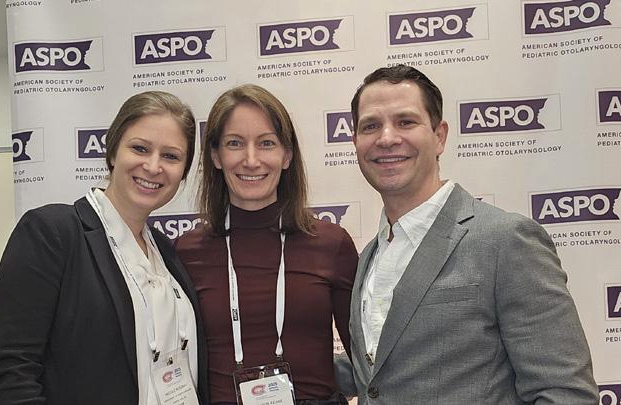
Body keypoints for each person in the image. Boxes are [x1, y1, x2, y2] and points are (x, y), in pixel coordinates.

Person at [346, 65, 599, 404]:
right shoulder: (370, 256)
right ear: (355, 142)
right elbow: (381, 373)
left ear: (439, 136)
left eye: (405, 122)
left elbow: (566, 393)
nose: (387, 138)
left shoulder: (506, 241)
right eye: (370, 126)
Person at [0, 91, 208, 404]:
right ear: (113, 151)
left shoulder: (166, 252)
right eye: (140, 148)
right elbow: (10, 371)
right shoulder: (53, 233)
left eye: (171, 156)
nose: (153, 166)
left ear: (183, 173)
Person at [175, 84, 357, 405]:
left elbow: (368, 363)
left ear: (286, 155)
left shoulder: (331, 244)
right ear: (216, 156)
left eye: (266, 143)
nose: (251, 160)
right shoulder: (185, 253)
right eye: (234, 143)